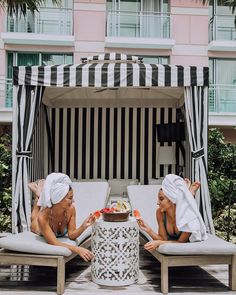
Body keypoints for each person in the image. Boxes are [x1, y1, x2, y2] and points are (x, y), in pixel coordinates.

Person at [28, 173, 95, 262]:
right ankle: (38, 195)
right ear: (58, 199)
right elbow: (54, 242)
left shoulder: (71, 209)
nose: (73, 201)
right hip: (40, 227)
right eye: (70, 198)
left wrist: (84, 226)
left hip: (53, 209)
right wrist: (78, 250)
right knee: (34, 219)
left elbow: (71, 235)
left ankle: (41, 195)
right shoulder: (43, 217)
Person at [137, 174, 207, 252]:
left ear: (171, 199)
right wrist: (149, 230)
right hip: (177, 207)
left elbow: (181, 242)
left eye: (161, 199)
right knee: (183, 203)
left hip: (187, 231)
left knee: (188, 209)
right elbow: (163, 239)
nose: (157, 203)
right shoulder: (160, 213)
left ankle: (190, 193)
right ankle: (188, 193)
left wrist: (159, 243)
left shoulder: (188, 218)